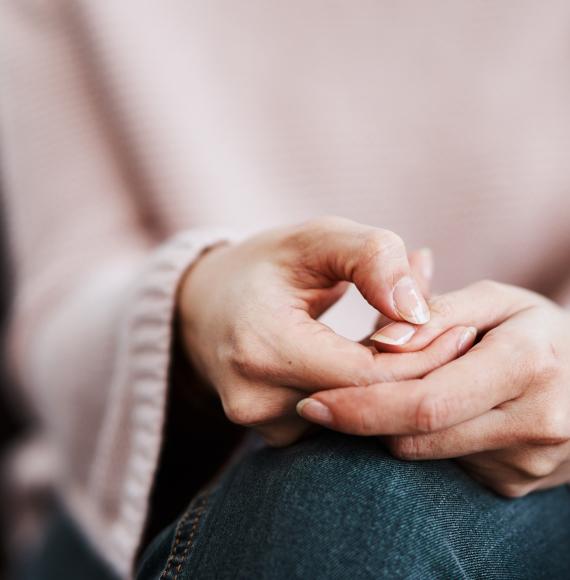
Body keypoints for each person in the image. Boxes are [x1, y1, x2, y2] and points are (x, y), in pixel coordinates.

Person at [2, 2, 570, 579]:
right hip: (125, 496)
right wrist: (195, 302)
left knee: (343, 492)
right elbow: (63, 285)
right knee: (338, 491)